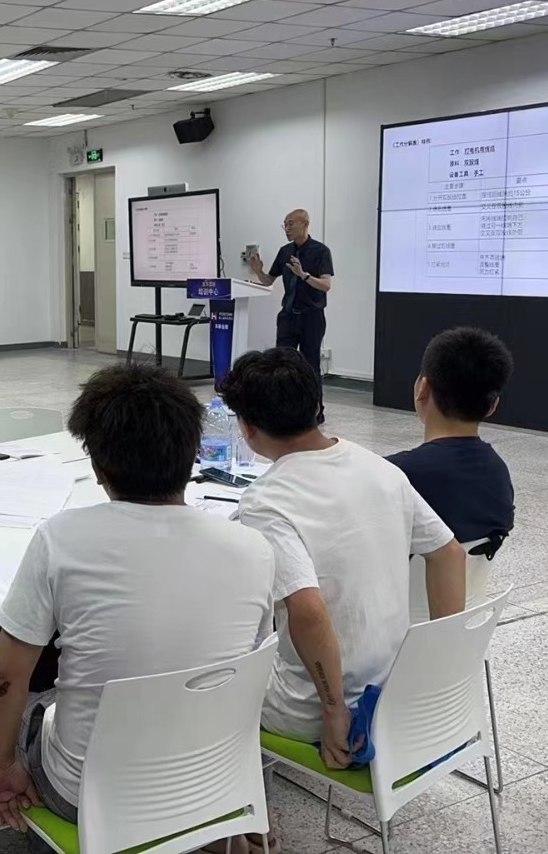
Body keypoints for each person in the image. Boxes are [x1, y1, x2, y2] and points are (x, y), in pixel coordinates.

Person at [0, 363, 275, 844]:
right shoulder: (254, 549)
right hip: (215, 783)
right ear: (193, 455)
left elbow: (4, 680)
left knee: (40, 712)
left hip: (90, 798)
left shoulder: (61, 540)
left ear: (97, 466)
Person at [219, 348, 466, 765]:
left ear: (247, 428)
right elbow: (450, 554)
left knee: (212, 659)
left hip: (312, 711)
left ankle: (219, 790)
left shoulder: (265, 501)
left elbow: (308, 611)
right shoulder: (380, 469)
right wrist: (438, 672)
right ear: (318, 405)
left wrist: (334, 710)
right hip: (393, 691)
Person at [388, 328, 515, 599]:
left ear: (423, 389)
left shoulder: (392, 475)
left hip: (396, 620)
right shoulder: (498, 473)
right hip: (468, 620)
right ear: (493, 405)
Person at [248, 209, 333, 422]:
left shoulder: (320, 251)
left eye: (291, 224)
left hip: (311, 317)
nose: (287, 229)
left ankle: (315, 412)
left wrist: (303, 275)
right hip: (288, 316)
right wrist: (258, 271)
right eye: (284, 225)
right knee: (281, 365)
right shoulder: (285, 251)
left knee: (310, 365)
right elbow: (269, 280)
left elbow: (326, 285)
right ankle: (282, 410)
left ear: (305, 224)